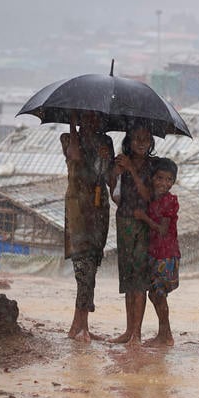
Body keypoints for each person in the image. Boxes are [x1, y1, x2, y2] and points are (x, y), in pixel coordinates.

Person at [61, 110, 113, 342]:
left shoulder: (106, 141)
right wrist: (73, 126)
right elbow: (74, 156)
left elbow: (110, 177)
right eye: (87, 117)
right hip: (78, 211)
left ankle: (81, 325)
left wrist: (107, 159)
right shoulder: (68, 138)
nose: (93, 121)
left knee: (92, 267)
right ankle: (78, 326)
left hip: (99, 210)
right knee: (82, 268)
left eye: (96, 117)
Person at [108, 124, 155, 344]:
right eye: (137, 138)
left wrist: (133, 171)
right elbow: (115, 197)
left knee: (140, 280)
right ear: (129, 141)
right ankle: (128, 330)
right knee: (127, 278)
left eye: (145, 139)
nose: (141, 143)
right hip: (124, 221)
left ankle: (137, 332)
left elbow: (148, 196)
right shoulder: (120, 162)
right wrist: (115, 175)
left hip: (143, 224)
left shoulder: (153, 166)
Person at [134, 158, 181, 346]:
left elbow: (162, 230)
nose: (164, 183)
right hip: (156, 253)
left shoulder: (170, 201)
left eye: (169, 179)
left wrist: (143, 217)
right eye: (160, 178)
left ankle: (166, 335)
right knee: (154, 294)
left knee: (159, 295)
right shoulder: (152, 198)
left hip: (166, 255)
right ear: (152, 178)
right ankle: (164, 333)